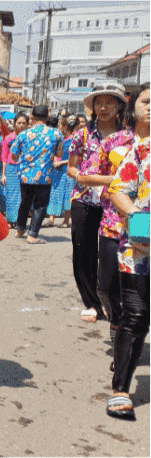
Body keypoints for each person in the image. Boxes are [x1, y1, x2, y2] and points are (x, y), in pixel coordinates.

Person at [105, 83, 149, 420]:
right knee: (135, 318)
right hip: (140, 250)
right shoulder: (141, 151)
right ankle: (121, 388)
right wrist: (140, 224)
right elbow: (119, 191)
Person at [68, 82, 128, 324]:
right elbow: (72, 168)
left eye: (110, 102)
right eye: (99, 103)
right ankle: (92, 303)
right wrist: (91, 179)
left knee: (118, 252)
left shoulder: (130, 136)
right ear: (92, 107)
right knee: (84, 252)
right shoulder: (82, 134)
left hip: (118, 205)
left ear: (120, 106)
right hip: (84, 200)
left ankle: (119, 300)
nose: (103, 107)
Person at [96, 83, 145, 347]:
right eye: (145, 102)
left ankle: (126, 341)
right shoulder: (115, 142)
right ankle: (116, 319)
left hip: (146, 225)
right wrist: (117, 183)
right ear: (132, 107)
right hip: (115, 224)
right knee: (106, 286)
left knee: (137, 291)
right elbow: (91, 172)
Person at [11, 105, 64, 244]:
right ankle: (32, 235)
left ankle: (20, 229)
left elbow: (14, 156)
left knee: (25, 203)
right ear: (47, 117)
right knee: (40, 206)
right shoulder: (57, 134)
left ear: (32, 118)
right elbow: (59, 154)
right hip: (44, 176)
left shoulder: (23, 134)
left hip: (25, 176)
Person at [45, 115, 78, 228]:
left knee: (68, 195)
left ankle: (66, 220)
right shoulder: (59, 139)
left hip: (68, 171)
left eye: (60, 125)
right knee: (54, 194)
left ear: (65, 127)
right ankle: (51, 219)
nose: (59, 128)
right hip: (57, 171)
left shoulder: (74, 140)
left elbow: (76, 157)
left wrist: (61, 162)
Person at [1, 113, 28, 228]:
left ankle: (20, 221)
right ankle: (10, 220)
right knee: (11, 194)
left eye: (24, 123)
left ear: (27, 124)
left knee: (23, 196)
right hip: (11, 169)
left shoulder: (29, 137)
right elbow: (4, 157)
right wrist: (3, 174)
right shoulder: (9, 138)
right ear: (15, 123)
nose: (21, 125)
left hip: (25, 169)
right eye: (19, 123)